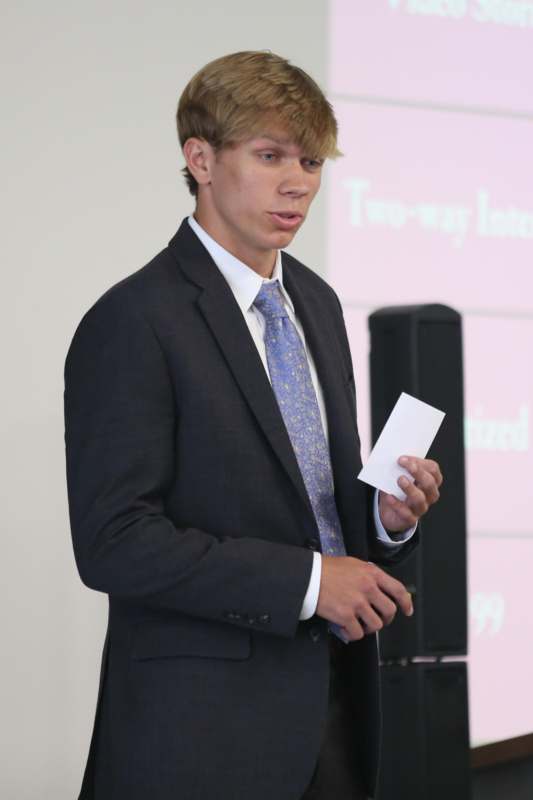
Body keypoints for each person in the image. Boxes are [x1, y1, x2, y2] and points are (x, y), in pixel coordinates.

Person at [64, 50, 443, 800]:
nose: (297, 180)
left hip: (334, 711)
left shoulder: (318, 302)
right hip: (200, 735)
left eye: (309, 159)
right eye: (268, 155)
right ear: (199, 159)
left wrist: (383, 518)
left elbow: (309, 502)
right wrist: (308, 583)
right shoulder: (135, 319)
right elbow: (113, 542)